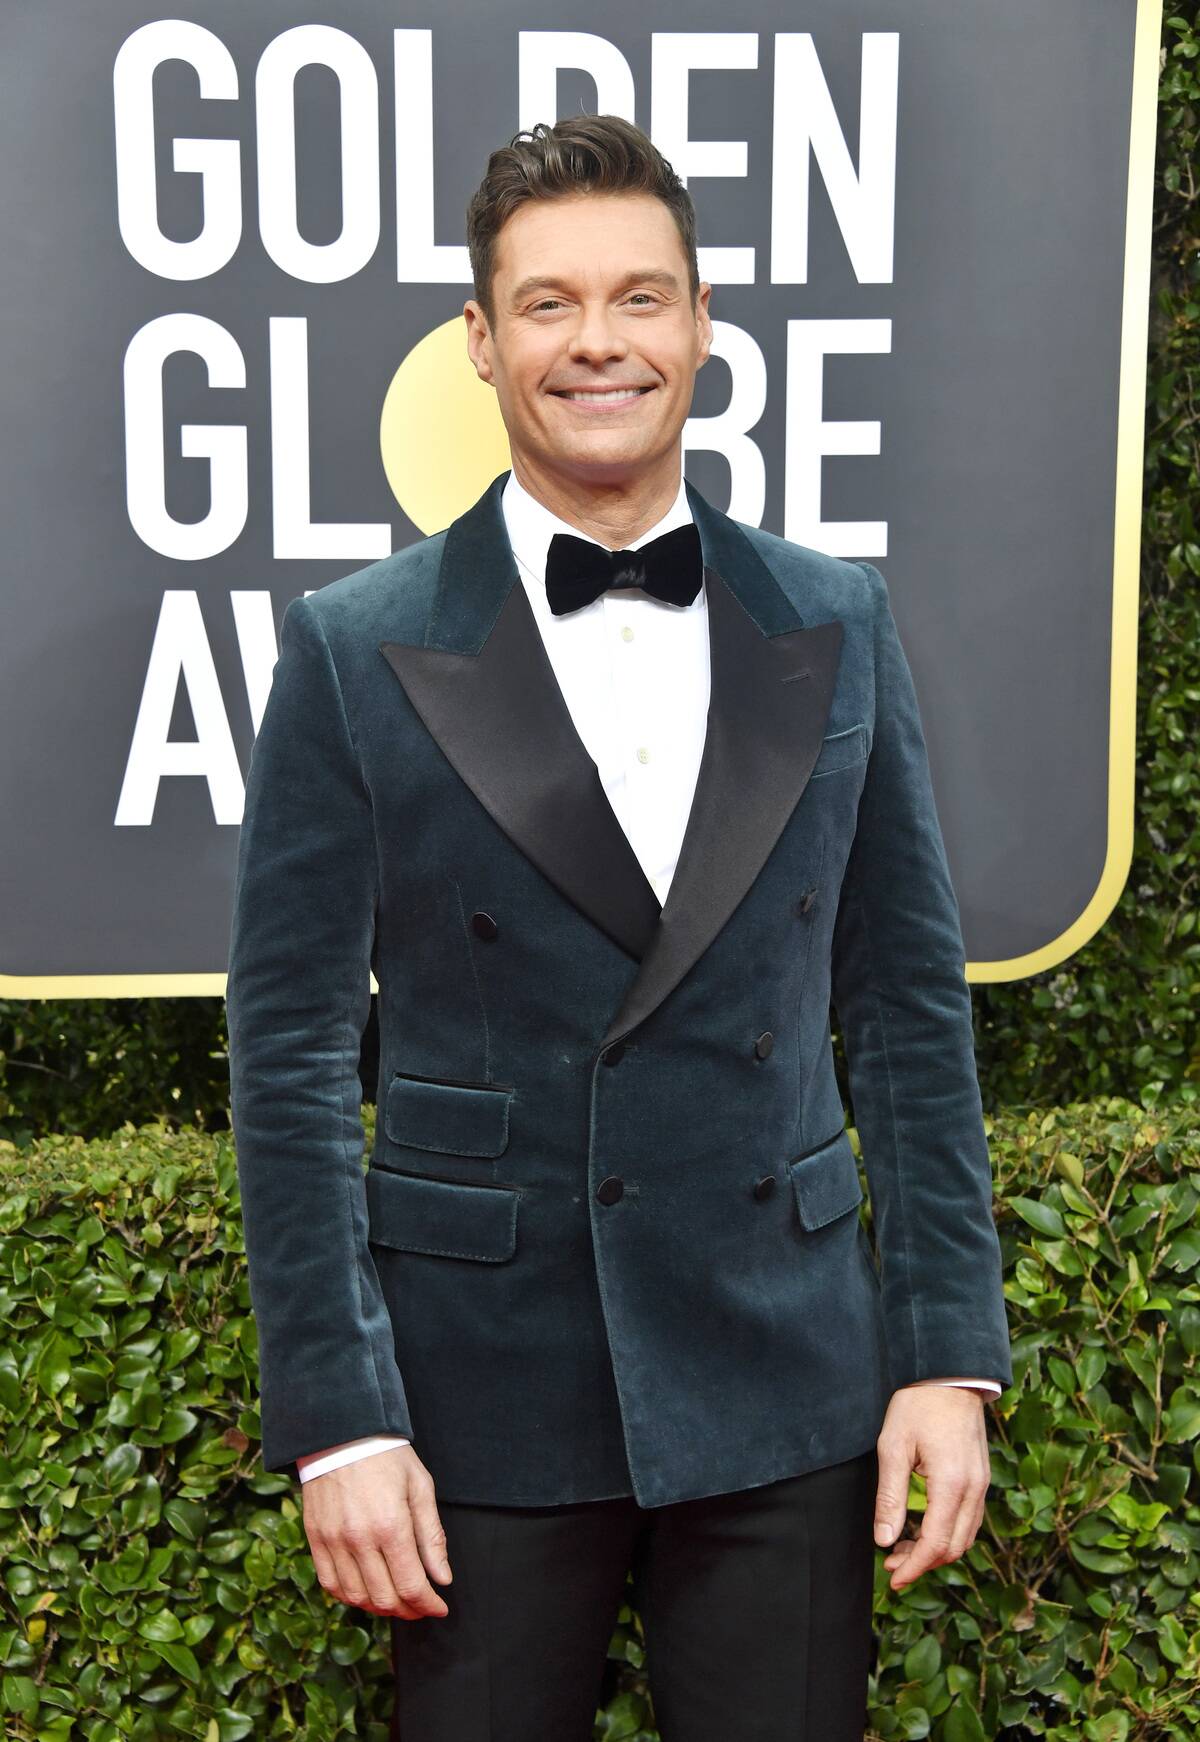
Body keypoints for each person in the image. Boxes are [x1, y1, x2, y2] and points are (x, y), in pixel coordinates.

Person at [225, 114, 1012, 1741]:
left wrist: (947, 1353)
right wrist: (338, 1416)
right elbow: (291, 1047)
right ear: (480, 340)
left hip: (785, 1380)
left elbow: (909, 1006)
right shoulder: (355, 648)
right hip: (475, 1400)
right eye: (551, 303)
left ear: (705, 322)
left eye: (642, 298)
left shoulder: (835, 615)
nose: (601, 342)